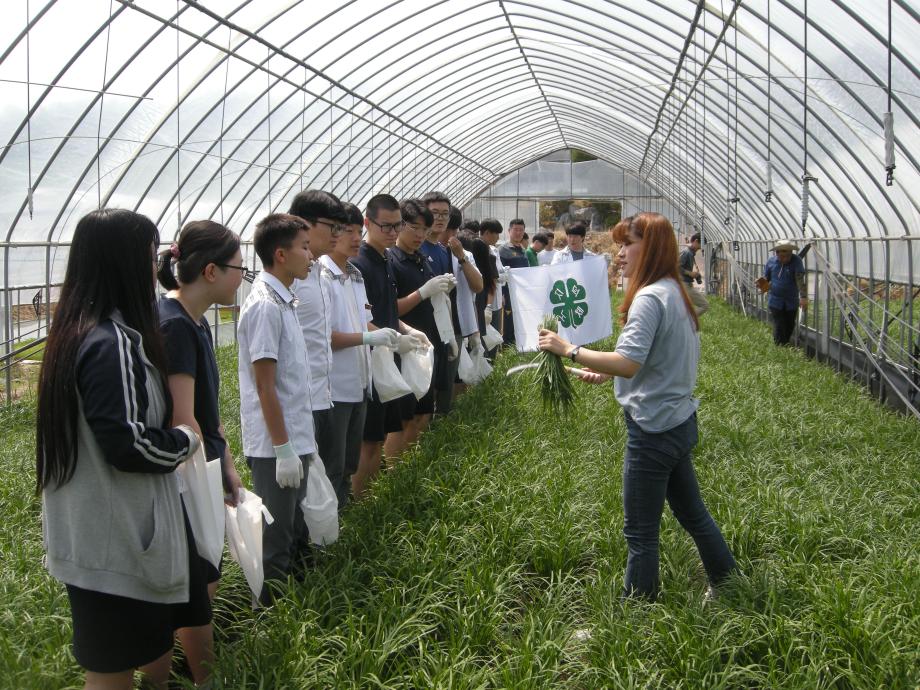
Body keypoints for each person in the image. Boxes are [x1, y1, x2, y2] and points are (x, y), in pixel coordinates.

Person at [37, 208, 201, 689]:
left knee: (134, 653)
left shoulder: (75, 334)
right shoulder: (113, 342)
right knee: (110, 671)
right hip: (118, 538)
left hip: (95, 531)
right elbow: (129, 444)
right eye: (150, 257)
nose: (155, 269)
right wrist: (185, 440)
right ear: (124, 263)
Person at [538, 212, 736, 601]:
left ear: (654, 246)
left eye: (627, 243)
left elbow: (629, 361)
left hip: (652, 430)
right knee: (694, 515)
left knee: (641, 533)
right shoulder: (675, 290)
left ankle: (635, 613)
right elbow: (645, 359)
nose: (620, 253)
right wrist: (612, 374)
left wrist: (570, 350)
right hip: (678, 421)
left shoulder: (648, 298)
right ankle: (728, 584)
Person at [156, 219, 245, 684]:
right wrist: (209, 479)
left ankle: (179, 668)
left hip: (204, 464)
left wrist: (227, 466)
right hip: (186, 473)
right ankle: (201, 676)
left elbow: (208, 417)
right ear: (211, 271)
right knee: (196, 581)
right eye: (238, 269)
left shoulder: (193, 322)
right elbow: (183, 419)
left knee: (202, 579)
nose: (240, 279)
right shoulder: (174, 326)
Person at [237, 213, 316, 605]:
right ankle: (267, 622)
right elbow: (265, 386)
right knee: (276, 537)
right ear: (281, 254)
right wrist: (283, 448)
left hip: (294, 436)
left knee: (294, 530)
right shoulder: (266, 306)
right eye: (304, 247)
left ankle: (292, 608)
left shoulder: (285, 301)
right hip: (275, 446)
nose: (311, 255)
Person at [349, 194, 430, 498]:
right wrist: (393, 338)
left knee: (379, 435)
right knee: (368, 441)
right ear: (367, 222)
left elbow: (386, 312)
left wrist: (408, 330)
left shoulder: (383, 260)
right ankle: (361, 506)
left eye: (397, 226)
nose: (393, 233)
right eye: (386, 226)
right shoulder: (360, 265)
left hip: (387, 360)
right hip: (369, 362)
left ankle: (372, 500)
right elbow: (358, 319)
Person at [319, 202, 399, 507]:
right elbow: (322, 338)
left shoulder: (353, 274)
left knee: (348, 462)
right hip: (334, 387)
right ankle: (329, 532)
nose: (355, 238)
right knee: (333, 465)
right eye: (345, 231)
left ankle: (346, 520)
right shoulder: (321, 277)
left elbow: (362, 319)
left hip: (359, 382)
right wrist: (368, 336)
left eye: (356, 231)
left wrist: (388, 336)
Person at [288, 189, 350, 493]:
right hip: (298, 401)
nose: (338, 235)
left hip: (324, 394)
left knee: (329, 474)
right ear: (305, 224)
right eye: (333, 227)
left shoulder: (321, 272)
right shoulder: (289, 278)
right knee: (302, 489)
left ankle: (327, 538)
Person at [389, 198, 453, 444]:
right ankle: (397, 475)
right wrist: (423, 292)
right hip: (405, 348)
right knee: (404, 418)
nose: (420, 235)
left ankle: (412, 468)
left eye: (424, 230)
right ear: (399, 225)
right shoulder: (392, 261)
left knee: (424, 412)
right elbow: (389, 309)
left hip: (428, 345)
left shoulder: (422, 259)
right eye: (414, 228)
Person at [760, 239, 808, 346]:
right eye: (782, 256)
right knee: (779, 325)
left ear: (791, 253)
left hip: (791, 301)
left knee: (790, 325)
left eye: (788, 256)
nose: (785, 259)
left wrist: (803, 297)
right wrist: (760, 284)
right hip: (775, 301)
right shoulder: (771, 262)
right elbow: (766, 278)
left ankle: (784, 345)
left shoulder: (797, 261)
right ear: (777, 253)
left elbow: (800, 280)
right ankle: (780, 348)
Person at [499, 218, 529, 345]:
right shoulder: (503, 250)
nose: (518, 233)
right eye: (515, 230)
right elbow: (500, 274)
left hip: (521, 294)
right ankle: (507, 349)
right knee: (508, 323)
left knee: (519, 321)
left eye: (521, 230)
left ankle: (519, 345)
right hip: (508, 294)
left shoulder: (523, 250)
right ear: (509, 231)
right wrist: (502, 294)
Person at [679, 232, 709, 316]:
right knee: (704, 305)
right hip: (684, 284)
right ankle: (686, 320)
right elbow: (676, 266)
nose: (699, 249)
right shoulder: (686, 252)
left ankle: (683, 322)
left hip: (686, 284)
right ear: (696, 241)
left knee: (685, 307)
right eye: (699, 247)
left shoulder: (690, 253)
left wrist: (694, 274)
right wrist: (689, 273)